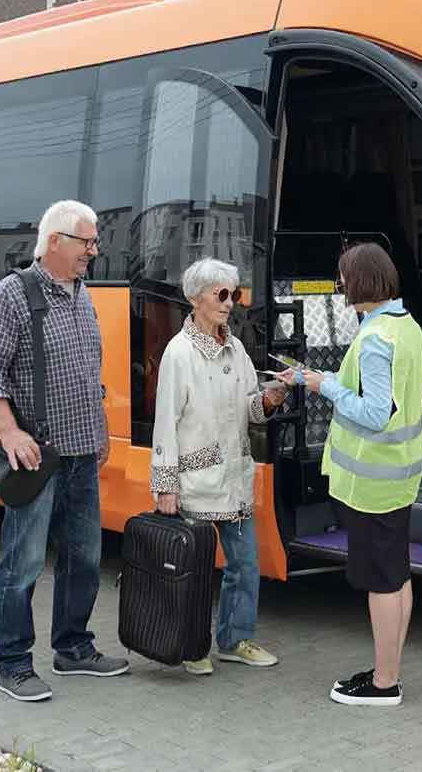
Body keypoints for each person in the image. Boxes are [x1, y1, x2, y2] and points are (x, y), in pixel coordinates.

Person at [0, 199, 129, 703]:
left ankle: (73, 647)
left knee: (84, 557)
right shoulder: (14, 294)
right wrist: (8, 433)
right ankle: (13, 663)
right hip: (38, 456)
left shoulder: (82, 293)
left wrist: (101, 428)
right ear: (56, 241)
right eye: (87, 241)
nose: (95, 249)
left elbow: (89, 372)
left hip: (83, 450)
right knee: (22, 562)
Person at [291, 243, 422, 707]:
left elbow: (374, 413)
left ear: (361, 281)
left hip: (373, 482)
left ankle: (384, 683)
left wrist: (322, 384)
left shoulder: (374, 338)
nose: (341, 285)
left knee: (381, 583)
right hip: (400, 472)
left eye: (343, 276)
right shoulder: (404, 326)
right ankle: (389, 669)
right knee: (398, 574)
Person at [151, 258, 287, 676]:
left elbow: (250, 408)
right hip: (195, 480)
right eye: (221, 294)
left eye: (235, 294)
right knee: (191, 572)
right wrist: (165, 484)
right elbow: (165, 422)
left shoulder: (236, 346)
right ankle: (191, 646)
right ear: (196, 298)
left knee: (245, 564)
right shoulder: (179, 353)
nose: (230, 303)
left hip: (233, 477)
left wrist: (268, 400)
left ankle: (234, 639)